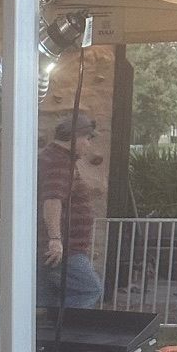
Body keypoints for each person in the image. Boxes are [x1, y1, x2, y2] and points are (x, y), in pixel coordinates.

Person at [40, 111, 103, 310]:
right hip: (64, 249)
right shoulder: (60, 162)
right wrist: (55, 239)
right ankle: (69, 332)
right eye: (87, 139)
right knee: (89, 289)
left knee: (48, 299)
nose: (88, 145)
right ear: (75, 137)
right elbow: (52, 200)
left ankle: (48, 337)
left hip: (56, 247)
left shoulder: (52, 157)